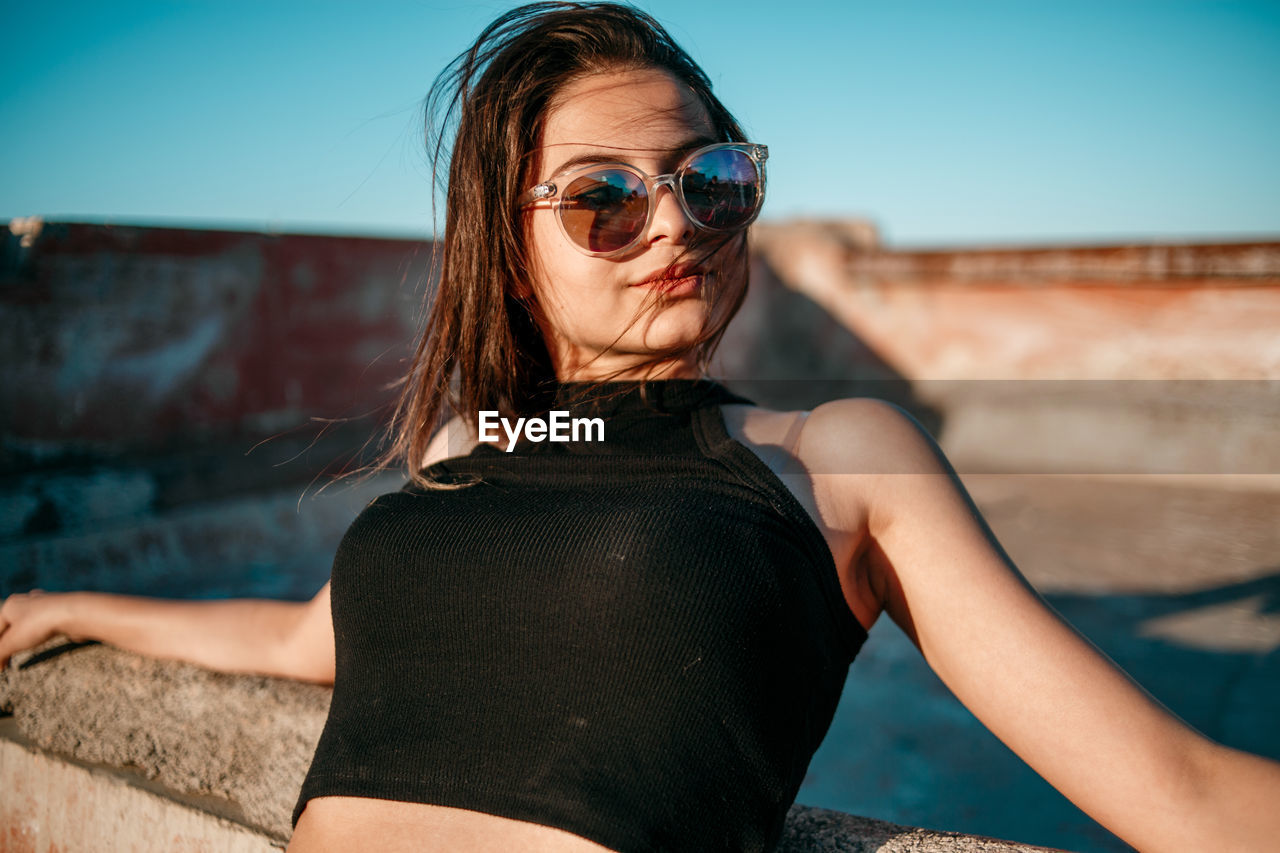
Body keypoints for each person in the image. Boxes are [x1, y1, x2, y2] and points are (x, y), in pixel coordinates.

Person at [2, 3, 1279, 851]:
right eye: (605, 198)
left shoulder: (830, 458)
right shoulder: (467, 449)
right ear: (508, 251)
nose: (672, 224)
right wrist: (73, 609)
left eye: (710, 182)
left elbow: (1175, 791)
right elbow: (306, 637)